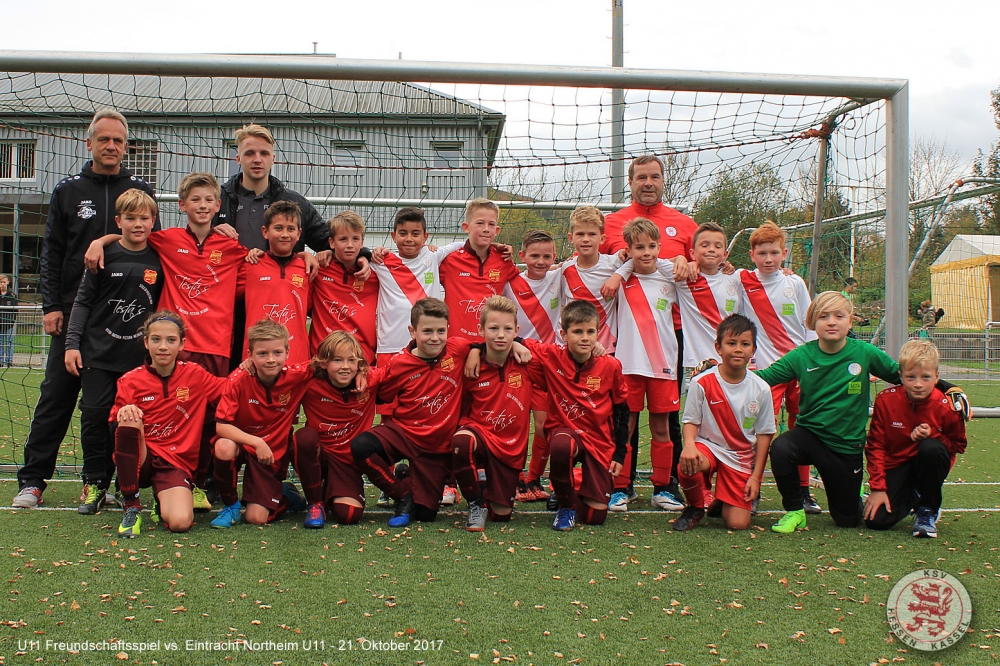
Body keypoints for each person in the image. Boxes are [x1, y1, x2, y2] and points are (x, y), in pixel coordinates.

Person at [14, 108, 157, 509]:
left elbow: (152, 241)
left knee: (110, 409)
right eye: (104, 139)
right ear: (89, 142)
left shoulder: (139, 189)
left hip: (122, 322)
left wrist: (104, 239)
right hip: (73, 315)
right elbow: (52, 253)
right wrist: (50, 306)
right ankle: (32, 481)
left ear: (126, 147)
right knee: (55, 399)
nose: (111, 146)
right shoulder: (69, 190)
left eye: (118, 141)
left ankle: (99, 483)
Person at [85, 172, 247, 511]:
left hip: (215, 347)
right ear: (182, 205)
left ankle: (199, 483)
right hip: (174, 348)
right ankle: (145, 476)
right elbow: (133, 232)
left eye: (209, 200)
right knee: (171, 415)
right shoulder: (167, 239)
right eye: (195, 200)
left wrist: (307, 256)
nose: (202, 205)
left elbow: (262, 265)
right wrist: (100, 241)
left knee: (209, 421)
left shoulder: (232, 248)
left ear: (218, 205)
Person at [755, 291, 968, 533]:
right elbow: (764, 378)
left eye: (839, 316)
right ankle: (795, 511)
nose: (831, 322)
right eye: (824, 316)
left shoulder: (864, 352)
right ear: (812, 322)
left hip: (845, 447)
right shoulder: (801, 355)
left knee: (847, 519)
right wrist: (725, 372)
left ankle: (861, 491)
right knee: (782, 448)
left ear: (850, 321)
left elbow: (904, 374)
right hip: (810, 436)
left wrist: (949, 388)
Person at [600, 155, 700, 505]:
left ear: (662, 180)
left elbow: (705, 264)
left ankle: (666, 485)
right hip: (626, 343)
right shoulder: (612, 223)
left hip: (669, 337)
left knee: (667, 421)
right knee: (623, 420)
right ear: (630, 182)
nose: (648, 182)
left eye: (654, 176)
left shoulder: (684, 223)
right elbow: (596, 265)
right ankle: (620, 486)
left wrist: (693, 260)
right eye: (641, 177)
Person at [64, 189, 163, 514]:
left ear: (153, 221)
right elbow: (82, 302)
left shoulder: (160, 258)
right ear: (119, 221)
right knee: (94, 418)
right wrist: (71, 345)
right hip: (97, 354)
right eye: (130, 218)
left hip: (137, 360)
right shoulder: (104, 255)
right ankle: (94, 483)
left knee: (127, 424)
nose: (138, 224)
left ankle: (125, 484)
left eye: (144, 218)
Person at [349, 298, 479, 528]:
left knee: (425, 515)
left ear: (448, 329)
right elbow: (381, 386)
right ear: (412, 331)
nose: (435, 338)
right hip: (404, 433)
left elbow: (483, 344)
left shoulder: (458, 349)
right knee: (361, 446)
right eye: (427, 331)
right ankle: (402, 493)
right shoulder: (400, 362)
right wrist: (361, 373)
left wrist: (477, 350)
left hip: (436, 448)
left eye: (441, 331)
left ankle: (406, 476)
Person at [111, 311, 229, 537]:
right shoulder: (130, 380)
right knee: (128, 418)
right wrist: (124, 411)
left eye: (171, 340)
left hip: (174, 463)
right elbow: (114, 429)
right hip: (142, 458)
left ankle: (161, 501)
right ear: (146, 342)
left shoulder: (195, 375)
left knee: (180, 523)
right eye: (156, 339)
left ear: (182, 344)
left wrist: (249, 369)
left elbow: (229, 389)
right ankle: (131, 507)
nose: (163, 347)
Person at [524, 300, 630, 531]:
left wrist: (620, 454)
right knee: (562, 445)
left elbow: (623, 411)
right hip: (565, 434)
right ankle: (566, 505)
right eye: (577, 332)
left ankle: (576, 486)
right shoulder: (551, 355)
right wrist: (516, 346)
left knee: (595, 517)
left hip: (599, 441)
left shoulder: (611, 366)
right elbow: (516, 339)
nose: (584, 338)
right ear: (563, 334)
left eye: (590, 332)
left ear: (598, 333)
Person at [737, 222, 819, 513]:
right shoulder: (742, 281)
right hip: (766, 373)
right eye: (762, 253)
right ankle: (752, 489)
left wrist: (812, 362)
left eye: (774, 253)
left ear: (784, 254)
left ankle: (803, 490)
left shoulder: (794, 283)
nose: (768, 259)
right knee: (758, 429)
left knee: (803, 426)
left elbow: (809, 324)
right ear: (752, 255)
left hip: (799, 368)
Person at [674, 314, 775, 531]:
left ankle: (722, 499)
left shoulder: (761, 389)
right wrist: (689, 446)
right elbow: (690, 421)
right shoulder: (701, 382)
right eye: (731, 343)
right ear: (718, 348)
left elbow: (765, 435)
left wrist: (756, 478)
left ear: (753, 350)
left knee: (738, 524)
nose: (738, 349)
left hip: (740, 456)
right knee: (687, 464)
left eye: (745, 344)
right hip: (708, 448)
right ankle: (695, 506)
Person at [607, 218, 682, 513]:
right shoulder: (621, 280)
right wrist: (621, 270)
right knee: (624, 429)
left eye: (652, 246)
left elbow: (689, 273)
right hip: (628, 367)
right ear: (629, 250)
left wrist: (675, 260)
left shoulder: (671, 280)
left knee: (661, 428)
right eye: (639, 247)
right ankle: (620, 489)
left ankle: (662, 488)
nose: (646, 252)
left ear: (659, 247)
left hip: (663, 367)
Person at [452, 296, 544, 531]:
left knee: (501, 515)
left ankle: (484, 483)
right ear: (481, 330)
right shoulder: (470, 363)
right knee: (462, 442)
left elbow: (562, 355)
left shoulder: (527, 361)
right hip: (479, 435)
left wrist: (596, 348)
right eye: (493, 328)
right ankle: (476, 503)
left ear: (517, 331)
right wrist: (475, 349)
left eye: (507, 329)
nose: (500, 335)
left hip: (510, 449)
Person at [211, 319, 311, 528]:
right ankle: (231, 505)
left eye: (277, 352)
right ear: (249, 355)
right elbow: (222, 426)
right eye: (262, 354)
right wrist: (256, 442)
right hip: (245, 444)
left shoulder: (298, 375)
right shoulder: (237, 380)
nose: (270, 360)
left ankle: (287, 495)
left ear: (287, 352)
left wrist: (362, 375)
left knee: (256, 518)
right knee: (223, 446)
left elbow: (328, 363)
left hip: (271, 453)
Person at [863, 339, 966, 538]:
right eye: (911, 377)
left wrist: (933, 434)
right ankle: (914, 493)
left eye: (925, 377)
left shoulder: (947, 406)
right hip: (897, 465)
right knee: (876, 521)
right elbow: (876, 446)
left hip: (928, 462)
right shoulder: (885, 401)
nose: (918, 384)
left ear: (936, 377)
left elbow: (959, 445)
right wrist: (878, 488)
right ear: (900, 376)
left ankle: (927, 509)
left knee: (931, 448)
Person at [294, 331, 384, 529]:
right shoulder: (308, 379)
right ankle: (315, 503)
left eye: (351, 360)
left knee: (349, 515)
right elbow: (278, 370)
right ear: (323, 363)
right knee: (304, 438)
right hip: (321, 455)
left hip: (348, 462)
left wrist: (365, 371)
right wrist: (247, 366)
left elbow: (398, 369)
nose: (345, 366)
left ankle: (326, 490)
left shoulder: (370, 379)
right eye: (337, 360)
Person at [503, 230, 562, 503]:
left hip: (545, 365)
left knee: (543, 426)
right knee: (514, 423)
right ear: (522, 255)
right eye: (534, 256)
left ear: (555, 257)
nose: (540, 261)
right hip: (515, 362)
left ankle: (534, 477)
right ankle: (514, 477)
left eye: (547, 256)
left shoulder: (560, 277)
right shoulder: (510, 282)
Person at [237, 201, 311, 364]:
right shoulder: (251, 265)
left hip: (296, 359)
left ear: (299, 233)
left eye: (290, 229)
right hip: (258, 359)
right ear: (265, 232)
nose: (284, 234)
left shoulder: (307, 269)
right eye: (278, 228)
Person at [439, 198, 520, 341]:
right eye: (480, 223)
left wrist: (556, 268)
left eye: (491, 224)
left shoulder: (504, 260)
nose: (486, 229)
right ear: (466, 227)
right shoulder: (449, 261)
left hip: (491, 344)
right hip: (455, 343)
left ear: (497, 230)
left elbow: (529, 278)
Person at [309, 211, 379, 363]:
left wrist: (428, 250)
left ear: (362, 242)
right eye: (343, 239)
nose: (349, 245)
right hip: (323, 359)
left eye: (355, 239)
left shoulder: (376, 274)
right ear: (331, 242)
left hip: (362, 359)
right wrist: (305, 255)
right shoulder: (318, 269)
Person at [560, 205, 621, 352]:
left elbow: (637, 260)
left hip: (607, 348)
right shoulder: (566, 269)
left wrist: (618, 275)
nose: (586, 239)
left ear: (602, 238)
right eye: (580, 234)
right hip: (575, 348)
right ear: (571, 238)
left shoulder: (615, 264)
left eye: (592, 234)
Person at [0, 274, 18, 367]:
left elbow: (15, 310)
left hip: (9, 324)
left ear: (7, 282)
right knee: (0, 343)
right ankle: (0, 361)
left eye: (4, 282)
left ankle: (9, 361)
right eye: (0, 282)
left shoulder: (12, 295)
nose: (2, 284)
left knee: (10, 342)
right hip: (0, 324)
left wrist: (11, 321)